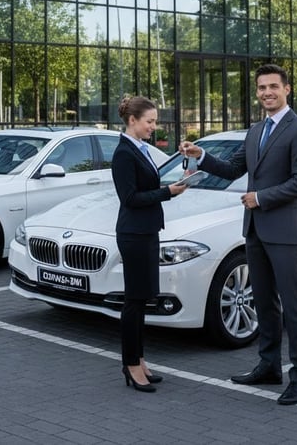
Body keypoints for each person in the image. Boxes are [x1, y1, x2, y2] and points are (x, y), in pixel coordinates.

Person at [180, 64, 297, 405]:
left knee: (294, 307)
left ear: (287, 90)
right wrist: (202, 156)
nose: (266, 92)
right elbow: (231, 169)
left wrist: (260, 197)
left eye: (273, 86)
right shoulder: (256, 130)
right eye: (261, 88)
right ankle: (269, 366)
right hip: (254, 230)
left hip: (285, 232)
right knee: (265, 305)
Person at [112, 95, 187, 393]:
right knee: (134, 301)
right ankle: (130, 364)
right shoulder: (124, 154)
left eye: (154, 121)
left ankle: (139, 359)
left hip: (147, 232)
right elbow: (129, 199)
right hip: (133, 234)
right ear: (133, 121)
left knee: (143, 299)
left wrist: (178, 183)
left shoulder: (140, 149)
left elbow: (145, 188)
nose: (154, 127)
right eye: (150, 121)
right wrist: (168, 192)